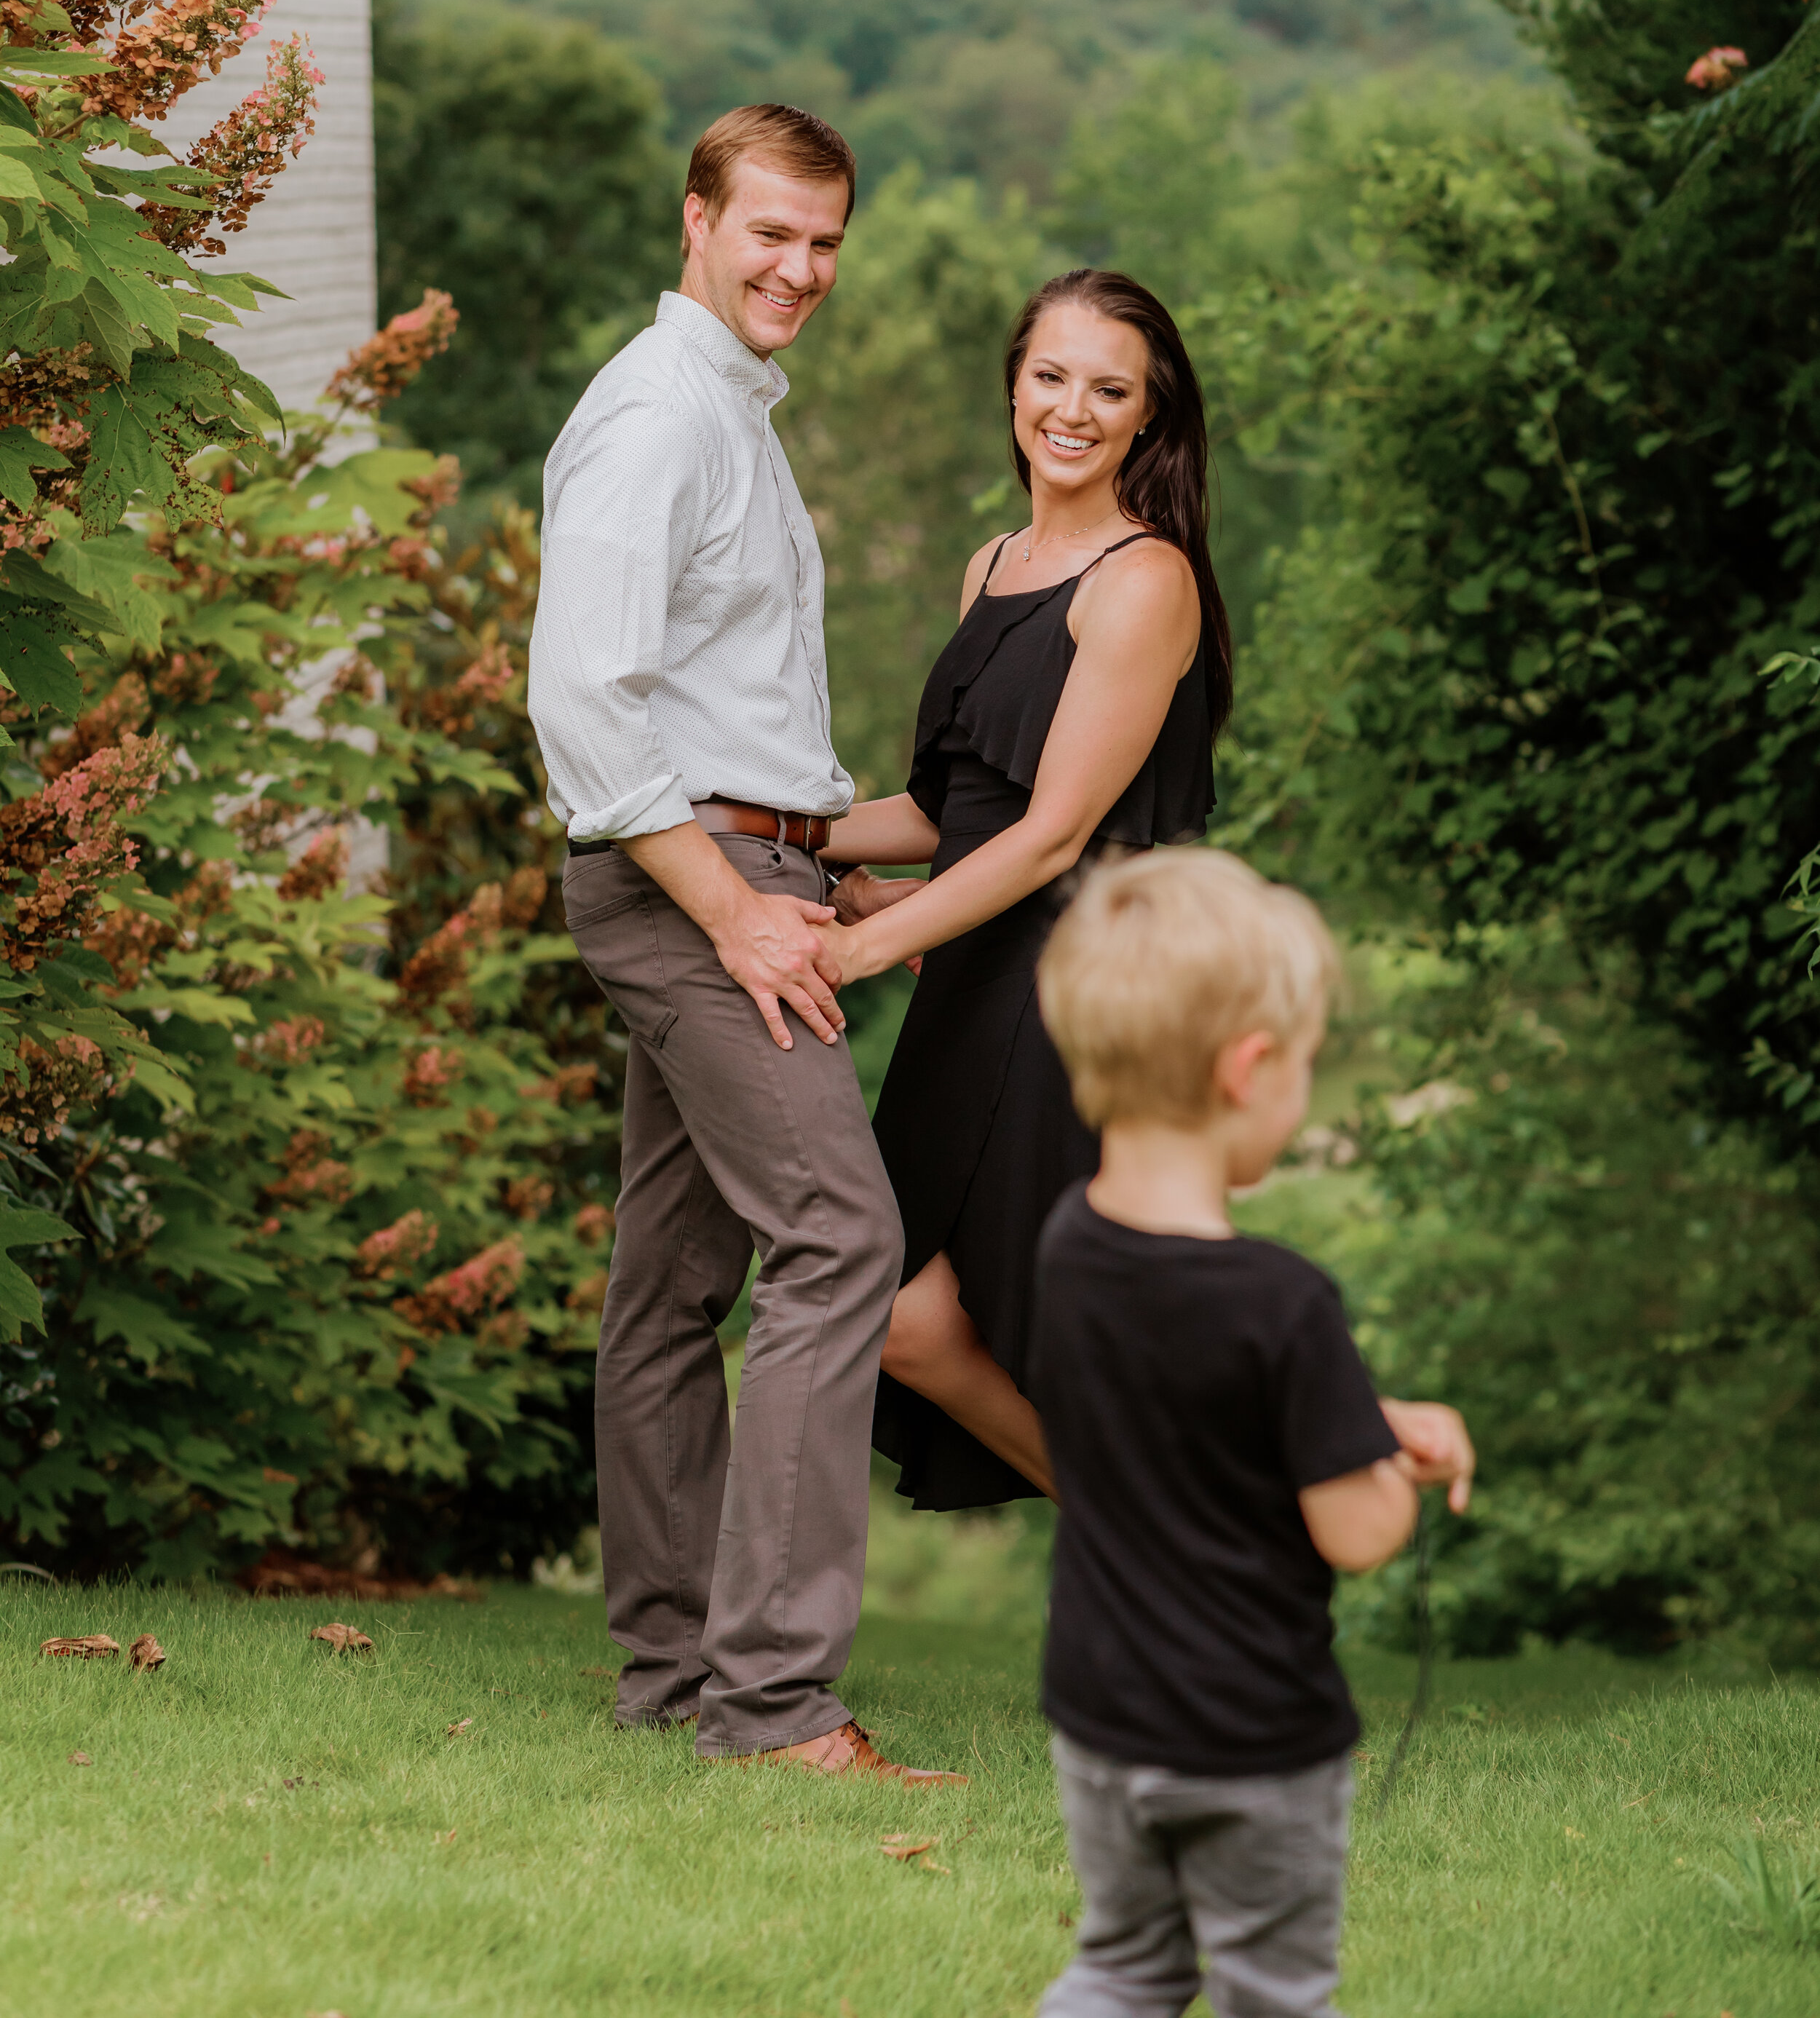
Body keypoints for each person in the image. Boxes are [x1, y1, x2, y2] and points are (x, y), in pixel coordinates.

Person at [526, 102, 960, 1786]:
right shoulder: (656, 419)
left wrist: (807, 871)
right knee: (841, 1239)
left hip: (731, 869)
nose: (801, 267)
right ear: (694, 216)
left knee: (673, 1284)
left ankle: (668, 1680)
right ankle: (772, 1707)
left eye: (825, 240)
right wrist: (734, 905)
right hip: (681, 886)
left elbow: (724, 707)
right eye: (770, 230)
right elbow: (585, 700)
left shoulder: (729, 415)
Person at [1027, 848, 1475, 2018]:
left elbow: (1186, 1405)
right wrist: (1393, 1472)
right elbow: (1359, 1530)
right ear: (1250, 1069)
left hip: (1101, 1714)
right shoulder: (1284, 1301)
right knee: (1275, 1991)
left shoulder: (1069, 1246)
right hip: (1252, 1738)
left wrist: (1355, 1420)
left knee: (1123, 1969)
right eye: (1308, 1067)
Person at [814, 269, 1232, 1507]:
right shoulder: (992, 562)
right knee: (910, 1314)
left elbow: (1052, 837)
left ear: (1148, 417)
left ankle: (1184, 1553)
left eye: (1112, 389)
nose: (1074, 409)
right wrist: (784, 833)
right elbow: (951, 811)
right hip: (977, 983)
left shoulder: (1145, 580)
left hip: (1063, 996)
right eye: (1051, 377)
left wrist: (861, 950)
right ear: (1013, 386)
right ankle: (1162, 1550)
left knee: (958, 1317)